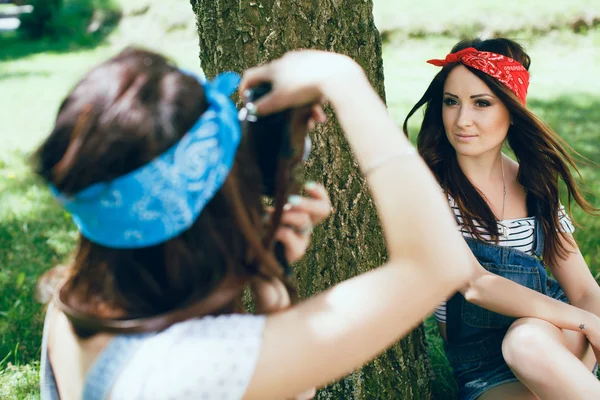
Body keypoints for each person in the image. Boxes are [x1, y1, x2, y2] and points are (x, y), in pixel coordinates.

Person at [37, 47, 475, 400]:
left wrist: (268, 275)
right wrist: (341, 79)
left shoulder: (75, 302)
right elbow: (436, 265)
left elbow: (292, 388)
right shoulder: (190, 365)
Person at [404, 37, 600, 400]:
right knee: (525, 345)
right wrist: (585, 321)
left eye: (481, 103)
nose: (462, 120)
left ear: (511, 112)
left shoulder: (533, 182)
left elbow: (584, 289)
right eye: (451, 102)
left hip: (556, 336)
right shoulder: (427, 187)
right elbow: (475, 284)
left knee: (526, 339)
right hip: (482, 366)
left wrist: (594, 326)